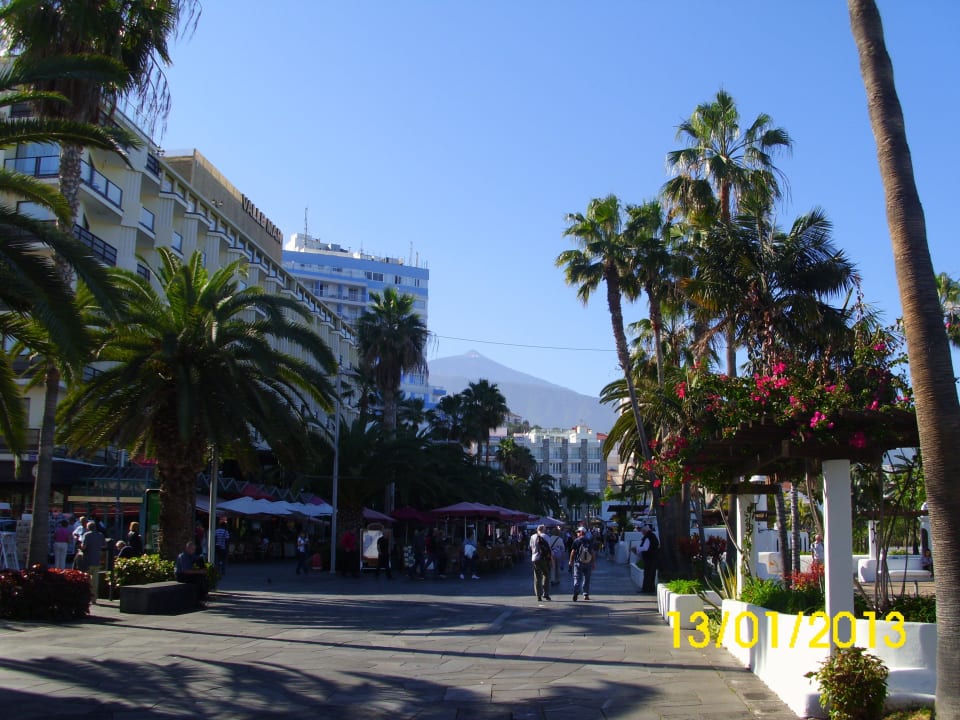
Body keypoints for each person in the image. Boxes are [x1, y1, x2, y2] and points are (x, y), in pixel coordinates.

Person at [79, 521, 105, 603]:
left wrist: (79, 547)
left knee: (86, 580)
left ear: (88, 527)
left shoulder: (87, 535)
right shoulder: (100, 535)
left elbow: (84, 547)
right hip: (97, 560)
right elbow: (103, 546)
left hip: (87, 560)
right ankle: (94, 598)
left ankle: (86, 597)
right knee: (95, 582)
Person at [570, 526, 594, 601]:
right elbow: (593, 553)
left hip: (578, 562)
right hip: (588, 562)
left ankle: (576, 592)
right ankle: (586, 594)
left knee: (577, 578)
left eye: (578, 532)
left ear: (581, 532)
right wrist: (593, 562)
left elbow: (573, 552)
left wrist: (571, 561)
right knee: (586, 578)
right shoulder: (589, 540)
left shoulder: (577, 540)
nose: (577, 533)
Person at [529, 524, 552, 601]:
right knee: (546, 574)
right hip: (544, 558)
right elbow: (549, 548)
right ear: (543, 529)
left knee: (537, 576)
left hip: (535, 558)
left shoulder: (532, 537)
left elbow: (531, 547)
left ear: (537, 529)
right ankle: (546, 593)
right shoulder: (546, 537)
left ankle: (538, 595)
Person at [634, 524, 660, 594]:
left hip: (649, 558)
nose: (641, 533)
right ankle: (651, 588)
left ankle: (646, 589)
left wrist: (637, 548)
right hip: (654, 558)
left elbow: (645, 548)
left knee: (647, 574)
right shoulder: (653, 536)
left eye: (642, 531)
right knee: (652, 574)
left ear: (645, 531)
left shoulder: (648, 537)